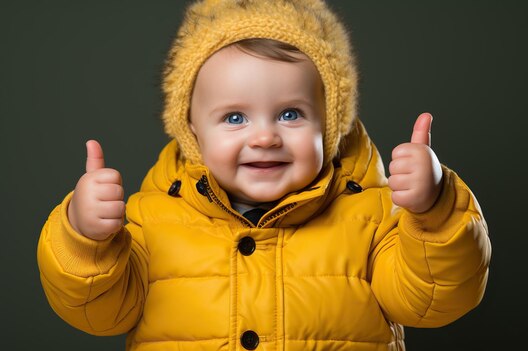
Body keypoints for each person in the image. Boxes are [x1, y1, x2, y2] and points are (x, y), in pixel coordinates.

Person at [37, 1, 491, 350]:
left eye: (291, 113)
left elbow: (433, 300)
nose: (265, 138)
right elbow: (98, 314)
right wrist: (84, 239)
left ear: (329, 126)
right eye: (234, 118)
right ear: (192, 129)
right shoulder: (148, 221)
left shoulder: (375, 216)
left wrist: (434, 211)